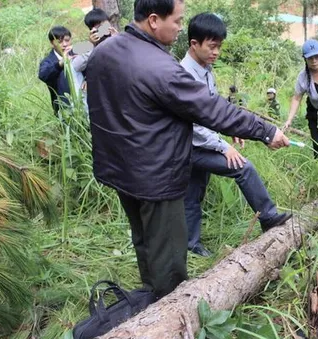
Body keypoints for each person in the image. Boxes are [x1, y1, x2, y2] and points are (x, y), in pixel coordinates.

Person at [86, 0, 289, 299]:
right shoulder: (161, 68)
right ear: (154, 20)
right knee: (168, 253)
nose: (181, 27)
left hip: (119, 168)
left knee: (144, 238)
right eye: (178, 21)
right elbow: (213, 110)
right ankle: (169, 309)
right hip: (155, 176)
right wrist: (266, 130)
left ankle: (149, 294)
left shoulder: (105, 51)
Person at [180, 13, 292, 257]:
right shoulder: (184, 75)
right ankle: (269, 216)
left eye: (219, 46)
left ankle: (190, 245)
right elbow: (193, 123)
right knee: (242, 167)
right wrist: (222, 146)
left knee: (193, 193)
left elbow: (211, 109)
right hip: (191, 146)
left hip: (198, 144)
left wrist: (231, 130)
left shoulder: (205, 69)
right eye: (212, 46)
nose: (216, 52)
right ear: (194, 44)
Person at [283, 39, 318, 158]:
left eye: (316, 57)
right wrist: (289, 120)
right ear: (305, 59)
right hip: (315, 112)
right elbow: (297, 98)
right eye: (310, 58)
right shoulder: (303, 77)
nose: (314, 61)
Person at [38, 26, 74, 115]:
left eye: (67, 40)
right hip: (64, 111)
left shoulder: (75, 50)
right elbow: (43, 75)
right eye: (59, 42)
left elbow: (91, 44)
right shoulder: (48, 61)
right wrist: (60, 64)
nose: (65, 44)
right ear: (52, 43)